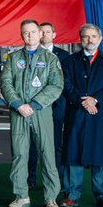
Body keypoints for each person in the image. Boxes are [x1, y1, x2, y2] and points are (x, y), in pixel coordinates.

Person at [0, 19, 63, 207]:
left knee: (47, 153)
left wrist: (34, 104)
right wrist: (18, 104)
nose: (30, 35)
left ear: (40, 34)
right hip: (18, 112)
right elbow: (5, 83)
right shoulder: (13, 58)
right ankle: (21, 196)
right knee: (19, 154)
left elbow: (56, 85)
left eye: (33, 32)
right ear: (22, 35)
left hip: (41, 111)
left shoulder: (51, 58)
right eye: (26, 32)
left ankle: (51, 198)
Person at [60, 24, 103, 207]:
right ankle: (71, 195)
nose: (90, 40)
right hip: (76, 113)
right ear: (81, 39)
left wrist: (95, 100)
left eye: (94, 36)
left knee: (101, 155)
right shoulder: (70, 61)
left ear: (100, 39)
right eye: (86, 36)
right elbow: (65, 85)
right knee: (73, 153)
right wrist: (83, 102)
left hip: (99, 115)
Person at [28, 21, 70, 186]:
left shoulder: (65, 56)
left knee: (56, 144)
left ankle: (56, 179)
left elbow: (66, 81)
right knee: (32, 145)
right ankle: (30, 178)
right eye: (42, 31)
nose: (45, 34)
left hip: (56, 106)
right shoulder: (30, 53)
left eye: (48, 31)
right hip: (33, 106)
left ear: (54, 35)